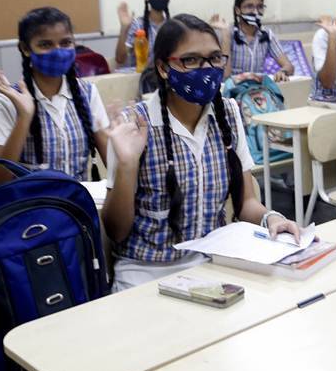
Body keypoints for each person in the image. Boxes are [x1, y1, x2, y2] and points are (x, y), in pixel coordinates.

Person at [102, 14, 302, 291]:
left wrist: (273, 218)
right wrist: (126, 165)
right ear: (162, 67)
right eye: (191, 60)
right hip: (145, 272)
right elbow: (116, 231)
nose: (205, 69)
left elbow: (246, 203)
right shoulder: (135, 126)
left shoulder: (228, 114)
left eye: (213, 58)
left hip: (211, 265)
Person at [0, 7, 109, 184]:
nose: (58, 51)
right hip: (30, 206)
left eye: (66, 43)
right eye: (45, 45)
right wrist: (24, 118)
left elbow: (112, 166)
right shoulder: (5, 101)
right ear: (26, 49)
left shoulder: (87, 93)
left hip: (79, 204)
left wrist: (120, 143)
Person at [213, 0, 293, 81]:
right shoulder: (227, 32)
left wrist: (283, 72)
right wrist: (226, 36)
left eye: (259, 7)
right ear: (237, 10)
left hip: (256, 90)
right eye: (249, 6)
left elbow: (289, 66)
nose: (255, 12)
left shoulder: (267, 34)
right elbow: (225, 76)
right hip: (232, 90)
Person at [114, 0, 171, 69]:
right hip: (138, 79)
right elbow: (120, 59)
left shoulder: (172, 26)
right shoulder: (137, 25)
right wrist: (124, 28)